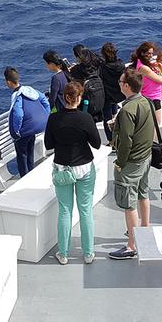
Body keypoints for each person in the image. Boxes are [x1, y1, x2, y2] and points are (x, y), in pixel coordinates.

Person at [44, 81, 101, 265]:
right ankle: (88, 253)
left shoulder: (54, 119)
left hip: (62, 169)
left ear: (65, 97)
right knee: (85, 211)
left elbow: (48, 145)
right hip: (84, 167)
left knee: (65, 211)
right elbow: (97, 143)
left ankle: (63, 253)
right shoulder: (85, 118)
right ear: (79, 98)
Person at [108, 68, 155, 260]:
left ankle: (132, 245)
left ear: (127, 86)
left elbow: (126, 141)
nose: (119, 84)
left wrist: (119, 162)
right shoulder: (146, 102)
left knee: (129, 203)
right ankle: (144, 230)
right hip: (145, 156)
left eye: (120, 82)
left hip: (131, 161)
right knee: (143, 194)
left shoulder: (127, 110)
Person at [4, 67, 51, 176]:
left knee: (22, 156)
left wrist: (16, 131)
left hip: (25, 131)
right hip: (34, 128)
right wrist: (46, 114)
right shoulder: (29, 89)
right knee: (30, 152)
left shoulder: (17, 96)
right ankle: (32, 173)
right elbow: (44, 99)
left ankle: (25, 176)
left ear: (8, 82)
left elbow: (18, 114)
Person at [129, 42, 162, 131]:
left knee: (153, 124)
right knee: (156, 125)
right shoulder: (143, 68)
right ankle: (152, 143)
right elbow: (161, 80)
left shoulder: (143, 64)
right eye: (148, 53)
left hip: (151, 96)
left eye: (152, 53)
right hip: (152, 98)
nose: (151, 55)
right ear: (142, 53)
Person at [99, 42, 127, 142]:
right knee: (116, 116)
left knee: (107, 119)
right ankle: (119, 137)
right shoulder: (121, 65)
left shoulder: (103, 67)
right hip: (120, 95)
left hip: (107, 96)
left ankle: (111, 141)